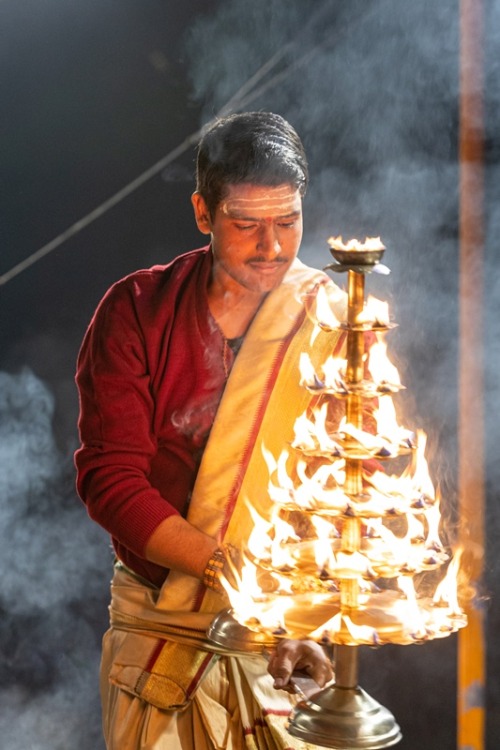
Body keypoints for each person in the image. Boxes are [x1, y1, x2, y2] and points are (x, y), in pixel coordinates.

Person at [75, 111, 343, 750]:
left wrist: (306, 616)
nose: (272, 248)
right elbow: (111, 481)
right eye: (246, 225)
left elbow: (338, 485)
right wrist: (229, 570)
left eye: (288, 223)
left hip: (285, 621)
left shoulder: (330, 319)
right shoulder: (136, 310)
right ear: (203, 212)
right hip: (162, 621)